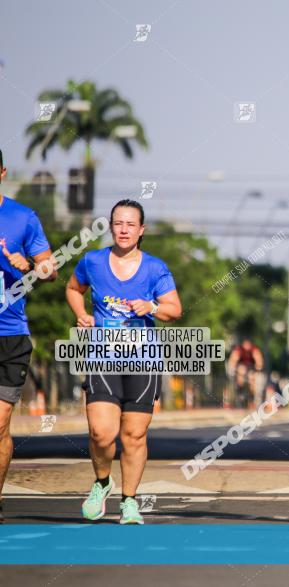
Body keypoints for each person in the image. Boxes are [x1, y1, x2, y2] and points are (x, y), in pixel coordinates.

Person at [66, 199, 182, 524]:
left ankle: (129, 500)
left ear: (141, 230)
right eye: (118, 223)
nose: (124, 229)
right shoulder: (93, 262)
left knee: (133, 436)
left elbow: (175, 309)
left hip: (143, 360)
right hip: (104, 356)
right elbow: (73, 289)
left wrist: (153, 307)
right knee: (101, 433)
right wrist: (81, 314)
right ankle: (102, 483)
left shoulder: (155, 268)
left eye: (131, 224)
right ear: (111, 226)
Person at [0, 149, 57, 523]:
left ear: (2, 171)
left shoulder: (22, 217)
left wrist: (30, 267)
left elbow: (50, 269)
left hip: (9, 335)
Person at [228, 339, 264, 407]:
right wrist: (234, 370)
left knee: (252, 379)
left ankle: (251, 398)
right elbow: (233, 360)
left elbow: (259, 360)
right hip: (240, 369)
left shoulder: (254, 349)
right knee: (241, 371)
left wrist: (257, 369)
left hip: (251, 369)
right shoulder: (239, 350)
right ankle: (240, 394)